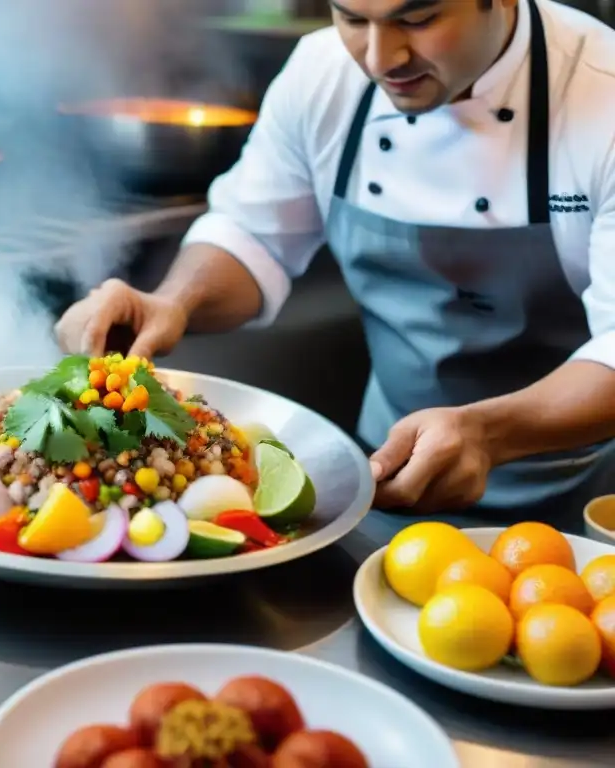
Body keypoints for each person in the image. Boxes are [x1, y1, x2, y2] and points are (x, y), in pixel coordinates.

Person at [54, 0, 615, 529]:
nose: (379, 58)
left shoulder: (602, 91)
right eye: (351, 17)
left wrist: (488, 435)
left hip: (586, 502)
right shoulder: (322, 74)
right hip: (387, 482)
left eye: (417, 20)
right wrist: (172, 302)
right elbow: (253, 235)